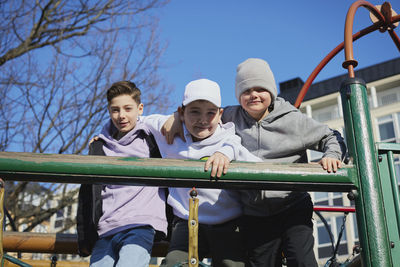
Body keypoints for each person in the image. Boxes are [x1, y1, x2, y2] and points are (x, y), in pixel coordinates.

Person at [162, 58, 347, 267]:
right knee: (262, 262)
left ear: (271, 91)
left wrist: (331, 155)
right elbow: (201, 113)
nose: (254, 95)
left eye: (260, 89)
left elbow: (331, 136)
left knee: (301, 259)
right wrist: (174, 118)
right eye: (246, 91)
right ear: (239, 95)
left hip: (291, 204)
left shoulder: (292, 120)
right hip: (254, 211)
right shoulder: (231, 115)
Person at [141, 78, 262, 267]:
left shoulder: (228, 141)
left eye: (210, 113)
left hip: (227, 221)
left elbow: (259, 167)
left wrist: (227, 152)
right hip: (186, 221)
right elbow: (135, 119)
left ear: (220, 114)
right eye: (194, 112)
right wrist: (102, 138)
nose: (203, 120)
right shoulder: (170, 132)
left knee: (233, 264)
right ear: (182, 112)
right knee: (173, 263)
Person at [76, 81, 167, 267]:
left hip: (141, 223)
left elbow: (177, 129)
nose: (121, 115)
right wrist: (85, 236)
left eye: (128, 108)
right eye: (115, 110)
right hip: (107, 227)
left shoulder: (151, 138)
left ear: (140, 108)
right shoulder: (100, 145)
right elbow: (88, 192)